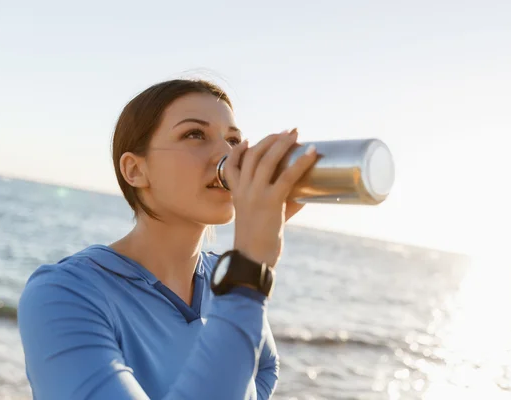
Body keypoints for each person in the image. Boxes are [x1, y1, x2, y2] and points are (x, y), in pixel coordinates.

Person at [17, 79, 319, 400]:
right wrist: (248, 272)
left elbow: (265, 368)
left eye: (233, 140)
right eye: (194, 134)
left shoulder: (224, 279)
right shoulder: (64, 293)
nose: (228, 157)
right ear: (135, 170)